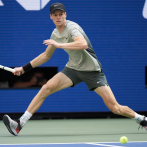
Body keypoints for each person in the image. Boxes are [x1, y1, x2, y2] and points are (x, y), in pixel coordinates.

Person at [3, 2, 147, 136]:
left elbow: (82, 44)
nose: (58, 17)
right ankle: (19, 124)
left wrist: (59, 45)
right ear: (51, 16)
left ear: (65, 15)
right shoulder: (55, 34)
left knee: (115, 108)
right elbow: (46, 56)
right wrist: (23, 68)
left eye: (61, 14)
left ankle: (141, 119)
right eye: (55, 14)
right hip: (73, 69)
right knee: (46, 88)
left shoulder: (72, 28)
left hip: (92, 72)